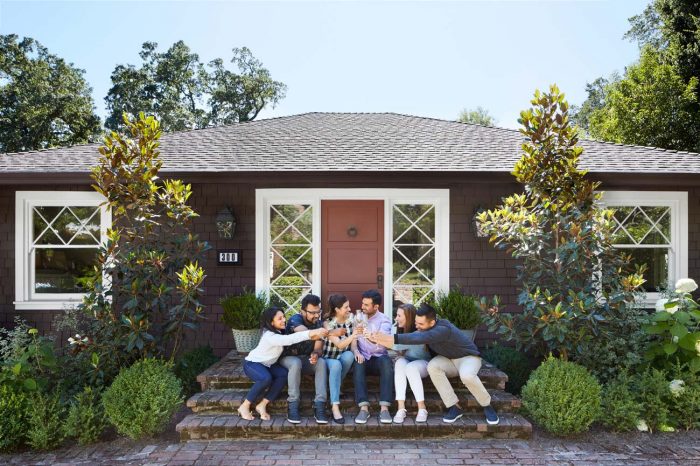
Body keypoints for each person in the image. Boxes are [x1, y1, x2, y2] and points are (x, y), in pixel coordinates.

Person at [367, 302, 500, 425]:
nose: (417, 327)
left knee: (467, 376)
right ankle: (454, 407)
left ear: (432, 322)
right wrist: (380, 339)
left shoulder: (442, 328)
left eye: (421, 324)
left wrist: (386, 338)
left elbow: (417, 338)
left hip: (468, 358)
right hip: (448, 359)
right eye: (416, 323)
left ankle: (487, 405)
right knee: (433, 366)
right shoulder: (426, 328)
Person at [239, 307, 328, 421]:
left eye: (284, 317)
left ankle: (262, 404)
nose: (284, 320)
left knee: (283, 374)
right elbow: (290, 339)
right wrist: (312, 332)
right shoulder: (269, 335)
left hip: (269, 365)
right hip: (253, 364)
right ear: (271, 322)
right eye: (279, 318)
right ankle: (244, 406)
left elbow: (297, 337)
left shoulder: (280, 331)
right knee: (266, 378)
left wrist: (323, 332)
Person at [279, 294, 343, 424]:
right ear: (302, 311)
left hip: (305, 359)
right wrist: (330, 333)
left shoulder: (318, 324)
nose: (316, 315)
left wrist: (315, 355)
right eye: (312, 312)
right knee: (296, 362)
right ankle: (293, 404)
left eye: (318, 312)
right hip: (288, 358)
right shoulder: (294, 320)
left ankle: (319, 404)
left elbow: (318, 348)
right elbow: (305, 334)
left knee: (320, 363)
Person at [353, 289, 394, 424]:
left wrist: (368, 335)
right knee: (358, 363)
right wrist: (356, 352)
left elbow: (383, 343)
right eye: (362, 304)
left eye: (366, 305)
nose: (362, 307)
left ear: (376, 306)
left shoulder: (384, 321)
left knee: (386, 362)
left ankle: (384, 408)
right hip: (363, 357)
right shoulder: (357, 318)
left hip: (378, 358)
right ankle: (363, 408)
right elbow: (353, 341)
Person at [322, 294, 361, 424]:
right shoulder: (328, 323)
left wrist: (357, 352)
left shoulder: (352, 320)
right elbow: (339, 344)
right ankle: (335, 406)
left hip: (343, 356)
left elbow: (353, 346)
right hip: (329, 358)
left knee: (350, 355)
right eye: (346, 307)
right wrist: (355, 334)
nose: (349, 309)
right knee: (336, 366)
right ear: (337, 309)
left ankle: (335, 387)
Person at [390, 303, 431, 424]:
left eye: (398, 316)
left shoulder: (418, 332)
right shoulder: (402, 330)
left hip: (425, 363)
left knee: (411, 367)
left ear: (408, 317)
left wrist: (375, 338)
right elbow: (401, 350)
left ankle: (422, 408)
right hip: (409, 361)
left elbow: (395, 345)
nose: (396, 318)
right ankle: (401, 408)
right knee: (400, 363)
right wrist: (400, 356)